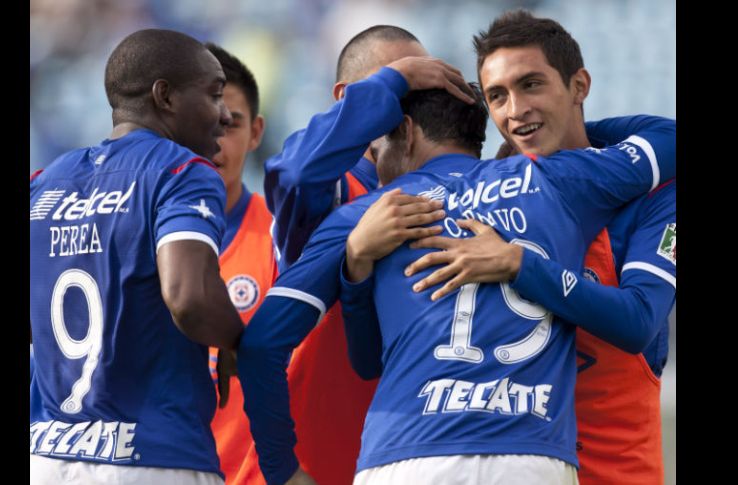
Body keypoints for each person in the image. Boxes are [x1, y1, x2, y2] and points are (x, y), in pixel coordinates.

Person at [237, 62, 676, 484]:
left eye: (378, 148)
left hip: (404, 457)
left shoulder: (370, 213)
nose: (375, 165)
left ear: (405, 134)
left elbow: (262, 346)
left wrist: (282, 472)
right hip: (532, 457)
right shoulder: (551, 179)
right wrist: (562, 125)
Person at [392, 11, 674, 484]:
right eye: (497, 96)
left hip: (614, 471)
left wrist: (520, 263)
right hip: (509, 464)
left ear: (579, 86)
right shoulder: (484, 194)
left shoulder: (652, 195)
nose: (515, 110)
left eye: (531, 85)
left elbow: (639, 321)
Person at [234, 26, 471, 485]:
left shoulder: (452, 196)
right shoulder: (340, 191)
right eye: (403, 83)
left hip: (407, 460)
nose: (412, 98)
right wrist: (395, 80)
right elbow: (296, 173)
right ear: (349, 98)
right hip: (310, 466)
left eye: (421, 87)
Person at [29, 29, 243, 485]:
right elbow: (189, 298)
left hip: (46, 456)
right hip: (152, 457)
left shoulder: (43, 184)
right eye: (214, 94)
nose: (225, 116)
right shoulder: (181, 171)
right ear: (164, 97)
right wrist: (237, 341)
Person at [202, 43, 276, 485]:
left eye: (229, 124)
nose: (214, 141)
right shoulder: (128, 240)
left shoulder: (283, 239)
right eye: (201, 123)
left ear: (256, 132)